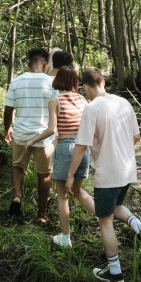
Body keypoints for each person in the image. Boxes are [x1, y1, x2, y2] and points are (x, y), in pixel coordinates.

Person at [66, 67, 141, 282]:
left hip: (108, 171)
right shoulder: (123, 103)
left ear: (86, 87)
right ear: (103, 82)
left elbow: (80, 146)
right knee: (114, 207)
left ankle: (115, 273)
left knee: (104, 220)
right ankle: (140, 227)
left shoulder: (92, 109)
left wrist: (70, 176)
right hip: (126, 168)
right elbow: (135, 137)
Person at [26, 66, 95, 247]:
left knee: (63, 195)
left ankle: (65, 236)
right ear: (74, 81)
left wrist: (32, 140)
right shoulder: (82, 100)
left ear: (58, 80)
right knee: (78, 191)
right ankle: (105, 217)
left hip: (65, 148)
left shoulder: (55, 100)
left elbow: (51, 129)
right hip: (82, 148)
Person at [3, 48, 56, 222]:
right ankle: (41, 215)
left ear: (29, 63)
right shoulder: (52, 82)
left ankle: (17, 197)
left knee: (18, 166)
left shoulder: (17, 81)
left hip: (21, 134)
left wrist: (7, 128)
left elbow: (8, 110)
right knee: (44, 174)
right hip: (44, 136)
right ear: (45, 63)